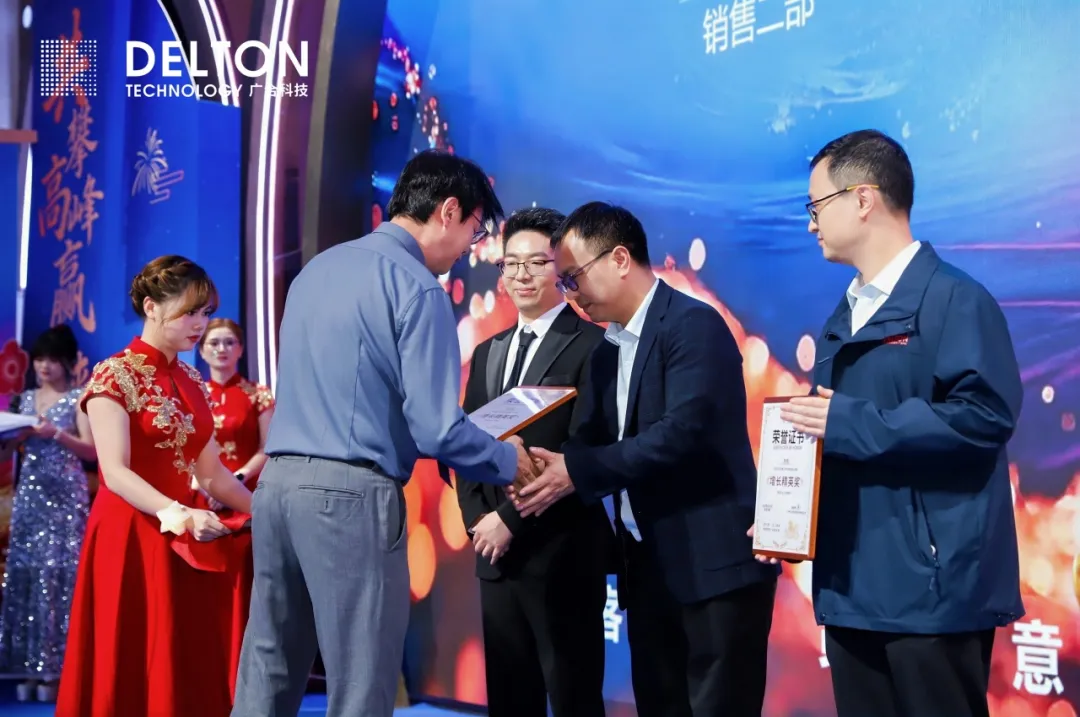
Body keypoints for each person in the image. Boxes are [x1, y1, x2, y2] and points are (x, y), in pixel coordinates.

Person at [232, 149, 537, 717]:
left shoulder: (314, 272)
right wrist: (507, 460)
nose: (469, 250)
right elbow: (437, 430)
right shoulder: (417, 287)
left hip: (276, 490)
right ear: (449, 211)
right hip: (350, 497)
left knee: (268, 665)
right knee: (362, 680)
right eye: (475, 232)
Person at [772, 129, 1023, 717]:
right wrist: (787, 514)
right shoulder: (845, 315)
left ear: (863, 199)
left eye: (816, 205)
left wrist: (850, 421)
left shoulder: (955, 300)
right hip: (850, 584)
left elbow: (983, 417)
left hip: (930, 592)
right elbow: (829, 432)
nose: (810, 223)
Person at [516, 202, 780, 717]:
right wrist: (540, 468)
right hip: (647, 567)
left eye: (573, 278)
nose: (570, 294)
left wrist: (575, 472)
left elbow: (679, 435)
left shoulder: (693, 325)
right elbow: (586, 441)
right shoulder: (607, 350)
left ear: (619, 259)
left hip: (714, 568)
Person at [55, 255, 256, 717]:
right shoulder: (114, 374)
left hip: (182, 534)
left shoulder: (190, 379)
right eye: (189, 312)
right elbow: (115, 472)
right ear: (151, 307)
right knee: (131, 655)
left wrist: (265, 509)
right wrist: (179, 514)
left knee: (181, 655)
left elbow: (212, 474)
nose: (199, 324)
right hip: (130, 533)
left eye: (205, 313)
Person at [456, 207, 613, 717]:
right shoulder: (487, 351)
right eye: (511, 263)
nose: (521, 275)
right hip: (495, 557)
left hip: (562, 553)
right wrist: (479, 522)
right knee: (509, 701)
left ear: (561, 267)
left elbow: (586, 450)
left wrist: (509, 520)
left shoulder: (596, 346)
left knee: (573, 699)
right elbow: (465, 443)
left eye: (537, 262)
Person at [0, 325, 95, 703]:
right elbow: (7, 455)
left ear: (68, 363)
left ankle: (59, 671)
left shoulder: (78, 398)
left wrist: (55, 433)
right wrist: (13, 438)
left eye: (52, 360)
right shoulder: (23, 400)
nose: (44, 366)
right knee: (26, 576)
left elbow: (91, 450)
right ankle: (26, 667)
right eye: (39, 359)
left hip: (66, 497)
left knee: (59, 578)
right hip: (30, 496)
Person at [192, 317, 276, 699]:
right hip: (200, 504)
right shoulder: (192, 393)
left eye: (229, 342)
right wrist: (203, 484)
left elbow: (268, 448)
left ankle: (246, 689)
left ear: (241, 349)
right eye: (214, 343)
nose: (221, 349)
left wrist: (234, 480)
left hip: (245, 504)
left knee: (246, 596)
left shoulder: (258, 395)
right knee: (204, 598)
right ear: (202, 349)